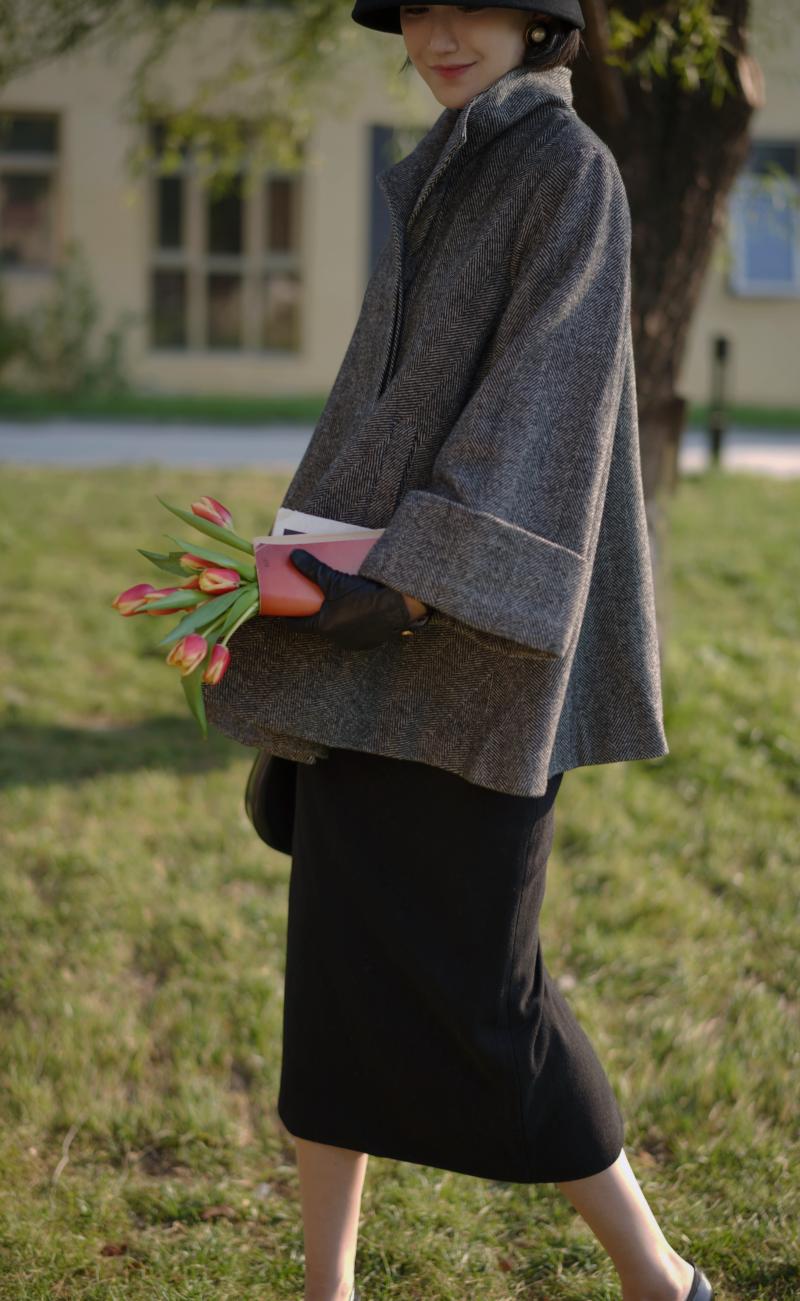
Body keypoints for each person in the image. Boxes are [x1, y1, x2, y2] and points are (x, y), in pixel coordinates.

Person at [202, 4, 715, 1300]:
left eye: (469, 3)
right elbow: (378, 407)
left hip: (476, 645)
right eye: (416, 7)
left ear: (538, 20)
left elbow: (537, 418)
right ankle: (328, 1290)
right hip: (364, 627)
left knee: (489, 1005)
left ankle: (662, 1280)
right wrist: (281, 578)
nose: (438, 31)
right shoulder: (442, 161)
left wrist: (378, 572)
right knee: (332, 989)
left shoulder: (568, 172)